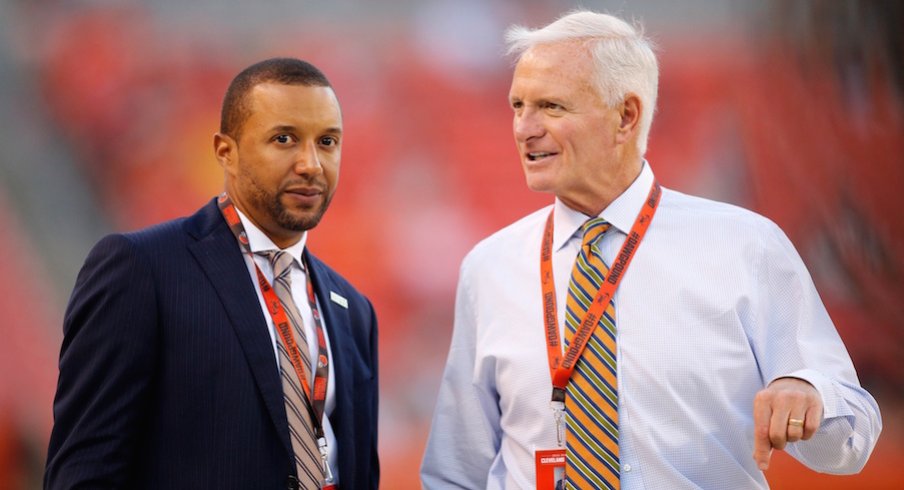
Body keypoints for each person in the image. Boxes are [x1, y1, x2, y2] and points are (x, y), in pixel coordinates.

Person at [421, 10, 881, 490]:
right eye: (518, 105)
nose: (523, 128)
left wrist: (810, 393)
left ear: (626, 116)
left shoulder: (746, 247)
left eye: (551, 107)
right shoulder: (488, 268)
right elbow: (456, 471)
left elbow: (854, 439)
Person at [45, 58, 379, 489]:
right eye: (284, 139)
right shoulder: (142, 269)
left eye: (328, 142)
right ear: (226, 151)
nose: (311, 164)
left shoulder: (353, 309)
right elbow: (83, 471)